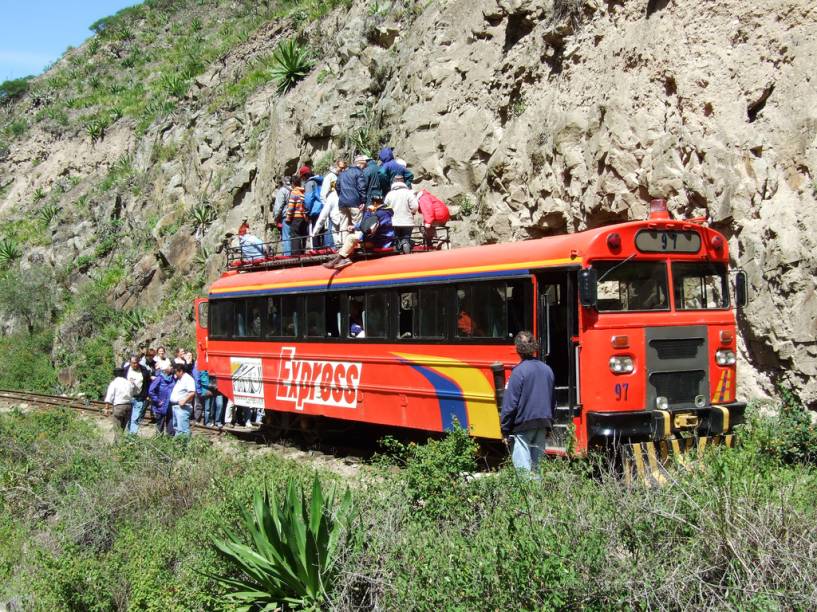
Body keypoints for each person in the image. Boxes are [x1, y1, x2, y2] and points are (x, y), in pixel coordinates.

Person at [500, 331, 555, 473]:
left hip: (523, 426)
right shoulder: (547, 370)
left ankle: (527, 496)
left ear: (518, 349)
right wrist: (550, 425)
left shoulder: (518, 372)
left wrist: (504, 429)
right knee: (537, 469)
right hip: (543, 423)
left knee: (523, 472)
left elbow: (510, 405)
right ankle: (537, 495)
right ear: (534, 347)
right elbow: (552, 400)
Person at [322, 196, 395, 270]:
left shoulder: (377, 214)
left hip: (379, 242)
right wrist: (355, 227)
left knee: (351, 238)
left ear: (375, 203)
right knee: (355, 241)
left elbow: (365, 226)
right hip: (386, 239)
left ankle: (337, 261)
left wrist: (368, 212)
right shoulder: (386, 212)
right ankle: (342, 260)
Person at [384, 175, 418, 254]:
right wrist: (412, 212)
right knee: (406, 238)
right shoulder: (409, 193)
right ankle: (405, 244)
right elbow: (415, 206)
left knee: (397, 239)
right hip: (407, 221)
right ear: (403, 181)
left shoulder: (390, 194)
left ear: (394, 182)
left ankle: (398, 251)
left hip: (394, 221)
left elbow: (385, 206)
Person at [337, 155, 367, 229]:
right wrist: (363, 201)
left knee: (343, 226)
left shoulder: (342, 174)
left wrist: (341, 196)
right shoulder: (359, 172)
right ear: (360, 164)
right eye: (364, 165)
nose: (364, 168)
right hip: (355, 203)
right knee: (356, 226)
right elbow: (362, 187)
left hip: (342, 203)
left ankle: (344, 240)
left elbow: (337, 187)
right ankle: (356, 240)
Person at [169, 362, 197, 438]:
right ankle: (179, 447)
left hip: (182, 407)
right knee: (177, 429)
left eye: (175, 372)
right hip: (176, 407)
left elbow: (192, 392)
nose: (174, 374)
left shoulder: (188, 379)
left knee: (183, 430)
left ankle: (185, 447)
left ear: (180, 371)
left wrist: (184, 400)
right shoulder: (180, 379)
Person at [314, 177, 342, 249]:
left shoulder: (331, 196)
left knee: (337, 242)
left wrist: (315, 231)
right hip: (344, 222)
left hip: (336, 222)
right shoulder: (347, 193)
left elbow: (323, 215)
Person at [126, 355, 151, 435]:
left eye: (136, 363)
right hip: (127, 398)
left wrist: (147, 395)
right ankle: (127, 434)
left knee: (135, 418)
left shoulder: (144, 370)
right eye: (133, 363)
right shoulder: (125, 370)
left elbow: (148, 383)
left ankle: (132, 437)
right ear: (130, 362)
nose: (135, 365)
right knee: (128, 418)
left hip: (139, 397)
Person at [148, 364, 176, 435]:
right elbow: (151, 391)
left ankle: (169, 441)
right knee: (160, 425)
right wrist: (157, 400)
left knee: (170, 424)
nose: (171, 367)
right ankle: (159, 440)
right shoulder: (159, 378)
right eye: (169, 366)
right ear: (165, 369)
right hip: (160, 405)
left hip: (170, 405)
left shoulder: (173, 379)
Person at [104, 367, 133, 433]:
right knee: (123, 428)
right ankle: (120, 442)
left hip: (119, 406)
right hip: (129, 406)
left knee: (117, 428)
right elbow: (132, 394)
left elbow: (109, 396)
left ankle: (118, 443)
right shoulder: (128, 382)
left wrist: (106, 408)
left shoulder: (114, 383)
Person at [285, 175, 308, 255]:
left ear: (292, 183)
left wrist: (288, 218)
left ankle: (296, 255)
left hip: (296, 217)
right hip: (303, 217)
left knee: (295, 236)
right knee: (303, 235)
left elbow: (291, 207)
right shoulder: (303, 192)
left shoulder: (294, 192)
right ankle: (302, 253)